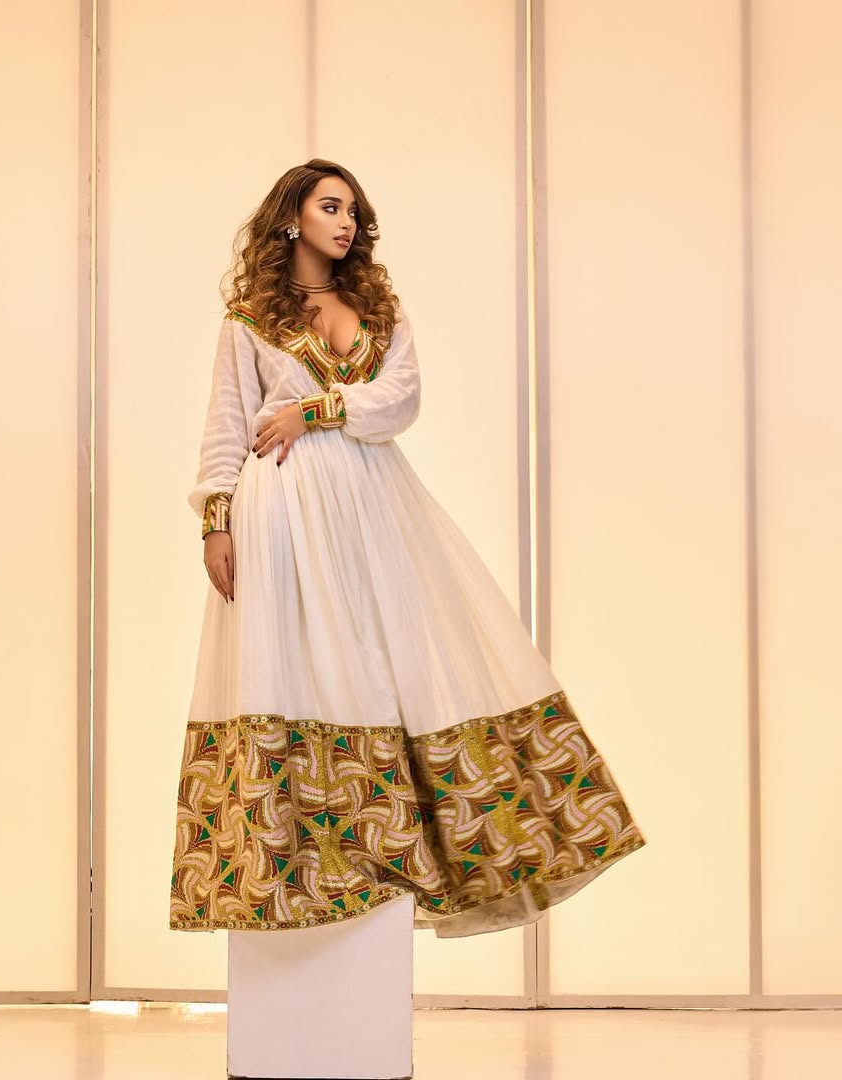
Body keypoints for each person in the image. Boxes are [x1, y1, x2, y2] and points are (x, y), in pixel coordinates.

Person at [169, 158, 646, 938]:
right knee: (291, 665)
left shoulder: (379, 312)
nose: (347, 221)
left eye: (353, 210)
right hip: (281, 511)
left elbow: (400, 400)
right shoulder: (246, 320)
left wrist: (313, 411)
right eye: (330, 207)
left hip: (372, 502)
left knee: (381, 659)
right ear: (291, 218)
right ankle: (297, 870)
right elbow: (226, 428)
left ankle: (388, 853)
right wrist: (215, 522)